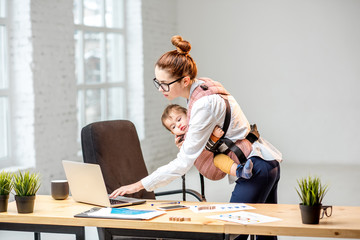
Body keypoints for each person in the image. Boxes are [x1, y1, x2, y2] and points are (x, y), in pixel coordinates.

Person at [110, 35, 282, 240]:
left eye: (165, 84)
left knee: (231, 234)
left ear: (184, 80)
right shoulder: (204, 87)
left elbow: (183, 164)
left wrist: (138, 185)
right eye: (157, 82)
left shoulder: (202, 105)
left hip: (255, 168)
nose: (160, 89)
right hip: (265, 161)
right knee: (265, 234)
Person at [161, 103, 253, 179]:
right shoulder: (185, 139)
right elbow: (204, 147)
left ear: (187, 114)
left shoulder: (195, 126)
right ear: (173, 133)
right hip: (209, 166)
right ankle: (240, 171)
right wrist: (214, 137)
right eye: (173, 127)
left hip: (213, 157)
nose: (178, 125)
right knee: (219, 159)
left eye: (179, 119)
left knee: (222, 157)